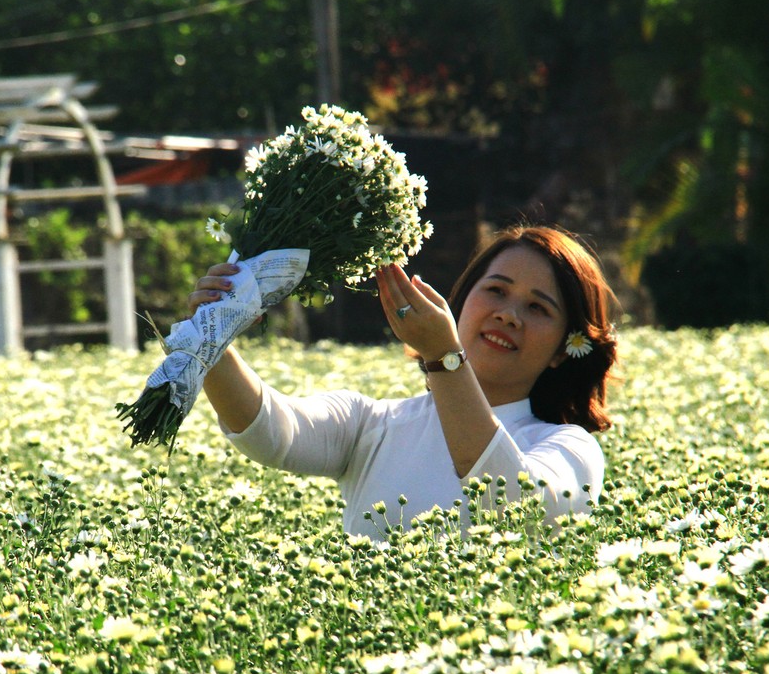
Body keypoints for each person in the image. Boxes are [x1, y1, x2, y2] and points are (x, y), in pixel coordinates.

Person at [187, 225, 618, 540]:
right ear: (460, 303)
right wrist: (212, 334)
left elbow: (513, 507)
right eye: (496, 291)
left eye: (538, 308)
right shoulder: (373, 423)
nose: (508, 315)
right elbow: (269, 430)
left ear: (565, 349)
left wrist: (444, 359)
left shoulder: (570, 449)